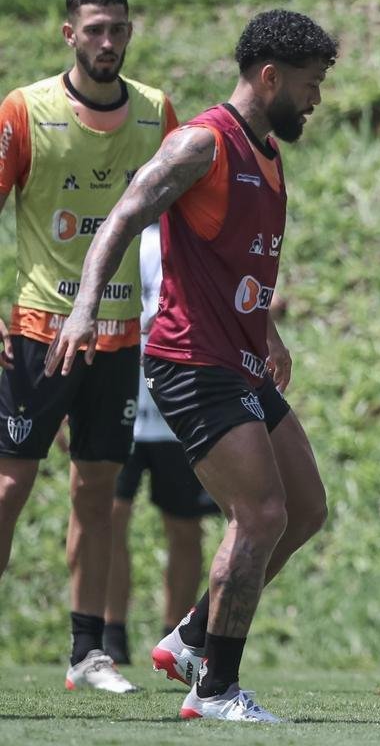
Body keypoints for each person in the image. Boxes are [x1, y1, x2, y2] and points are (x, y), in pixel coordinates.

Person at [46, 9, 337, 723]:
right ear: (268, 76)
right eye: (308, 84)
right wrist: (85, 308)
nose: (315, 99)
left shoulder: (267, 154)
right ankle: (214, 691)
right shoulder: (201, 143)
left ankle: (192, 636)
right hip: (191, 361)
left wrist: (267, 330)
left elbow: (233, 260)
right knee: (260, 512)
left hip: (240, 360)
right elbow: (121, 217)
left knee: (304, 509)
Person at [0, 0, 178, 693]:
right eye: (95, 29)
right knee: (10, 486)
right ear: (70, 34)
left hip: (119, 334)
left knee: (97, 492)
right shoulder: (25, 111)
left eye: (119, 28)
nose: (108, 41)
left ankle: (88, 652)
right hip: (39, 330)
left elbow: (188, 217)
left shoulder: (157, 113)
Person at [102, 220, 220, 665]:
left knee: (184, 524)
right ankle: (110, 634)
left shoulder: (192, 237)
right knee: (109, 515)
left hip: (178, 408)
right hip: (121, 401)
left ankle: (174, 638)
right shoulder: (117, 238)